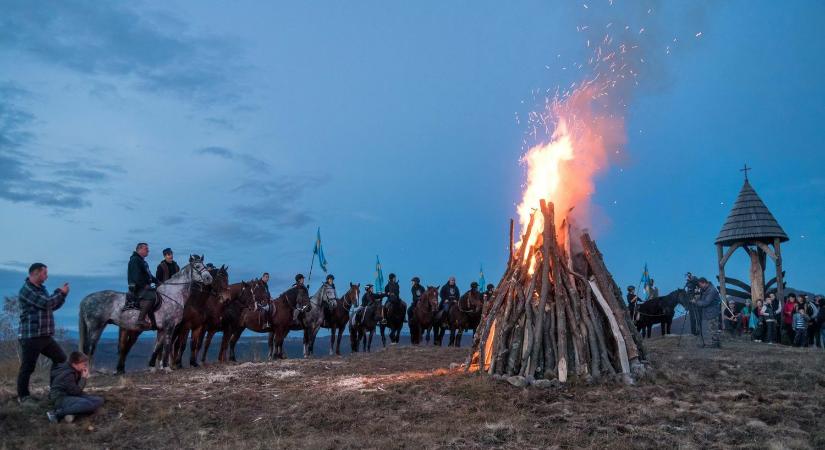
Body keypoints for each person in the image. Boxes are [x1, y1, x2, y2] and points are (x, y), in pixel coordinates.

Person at [17, 263, 69, 405]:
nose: (47, 276)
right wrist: (61, 292)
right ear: (36, 273)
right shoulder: (27, 290)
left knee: (60, 359)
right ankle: (23, 396)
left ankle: (54, 390)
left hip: (44, 335)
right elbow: (47, 303)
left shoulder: (41, 289)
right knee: (28, 367)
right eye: (45, 273)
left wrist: (62, 296)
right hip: (31, 336)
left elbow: (52, 306)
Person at [46, 352, 103, 423]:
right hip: (60, 398)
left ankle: (73, 412)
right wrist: (83, 378)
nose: (85, 366)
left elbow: (75, 390)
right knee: (86, 404)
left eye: (86, 364)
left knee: (99, 400)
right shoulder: (67, 375)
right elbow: (76, 392)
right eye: (83, 364)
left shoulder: (75, 369)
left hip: (70, 394)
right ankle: (56, 414)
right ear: (74, 364)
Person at [128, 243, 161, 330]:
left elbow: (149, 275)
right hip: (137, 288)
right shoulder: (135, 260)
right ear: (140, 250)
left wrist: (158, 281)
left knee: (156, 295)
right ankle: (140, 319)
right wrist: (145, 286)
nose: (148, 251)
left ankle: (153, 323)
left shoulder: (142, 261)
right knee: (152, 296)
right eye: (146, 249)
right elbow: (136, 277)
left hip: (143, 287)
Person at [693, 278, 722, 348]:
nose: (700, 287)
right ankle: (715, 343)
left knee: (713, 329)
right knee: (712, 329)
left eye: (700, 285)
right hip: (710, 312)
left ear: (704, 283)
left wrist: (696, 302)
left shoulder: (712, 290)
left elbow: (706, 303)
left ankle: (715, 344)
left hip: (712, 312)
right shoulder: (707, 288)